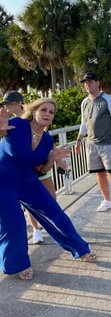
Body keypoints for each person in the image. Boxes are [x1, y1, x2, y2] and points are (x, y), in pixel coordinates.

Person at [0, 98, 96, 281]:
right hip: (3, 180)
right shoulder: (17, 124)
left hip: (28, 181)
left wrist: (53, 158)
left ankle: (81, 250)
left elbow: (42, 170)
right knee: (14, 222)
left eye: (51, 112)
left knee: (56, 213)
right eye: (43, 109)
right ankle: (19, 264)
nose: (47, 114)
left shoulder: (47, 140)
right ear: (34, 111)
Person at [0, 91, 59, 244]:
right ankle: (36, 229)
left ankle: (50, 228)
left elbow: (45, 140)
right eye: (5, 105)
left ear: (19, 103)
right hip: (11, 174)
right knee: (14, 217)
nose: (7, 108)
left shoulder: (33, 120)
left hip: (36, 166)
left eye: (9, 104)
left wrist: (55, 159)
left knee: (51, 201)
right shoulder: (11, 122)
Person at [76, 72, 111, 216]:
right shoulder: (85, 102)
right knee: (99, 174)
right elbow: (84, 123)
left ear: (98, 83)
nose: (87, 85)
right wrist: (79, 140)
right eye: (85, 83)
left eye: (90, 82)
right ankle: (106, 200)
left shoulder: (108, 100)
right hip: (92, 143)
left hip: (108, 143)